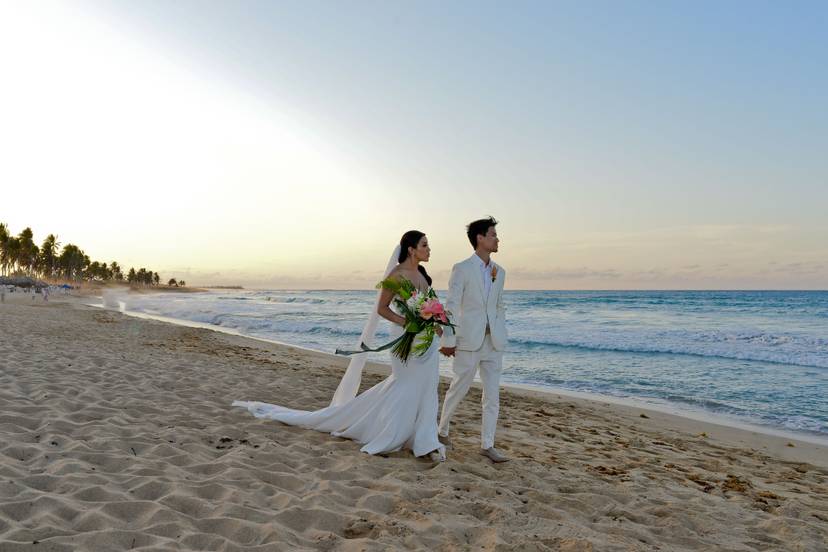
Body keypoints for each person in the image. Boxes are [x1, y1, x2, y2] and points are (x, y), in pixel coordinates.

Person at [233, 231, 446, 461]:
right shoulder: (395, 276)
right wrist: (406, 322)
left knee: (427, 386)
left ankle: (424, 438)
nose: (429, 249)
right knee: (406, 385)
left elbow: (429, 305)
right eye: (424, 245)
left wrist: (436, 322)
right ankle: (394, 433)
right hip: (406, 338)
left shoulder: (422, 274)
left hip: (427, 341)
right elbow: (382, 308)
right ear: (412, 249)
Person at [438, 217, 510, 462]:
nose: (497, 239)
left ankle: (487, 444)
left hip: (494, 342)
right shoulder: (462, 268)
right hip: (469, 340)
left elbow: (498, 304)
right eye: (493, 234)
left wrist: (500, 327)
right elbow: (451, 305)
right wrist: (448, 339)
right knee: (459, 387)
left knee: (492, 395)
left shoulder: (499, 272)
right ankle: (442, 431)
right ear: (480, 238)